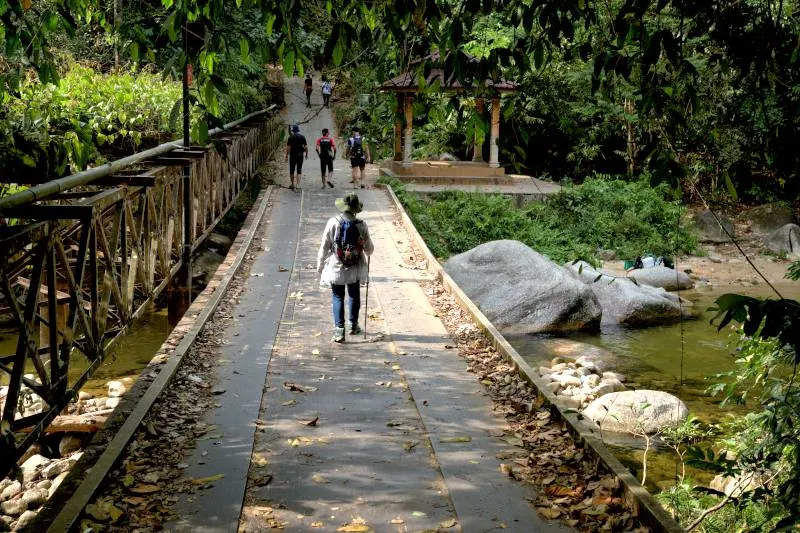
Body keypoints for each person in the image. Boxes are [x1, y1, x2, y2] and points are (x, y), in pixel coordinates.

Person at [317, 193, 374, 343]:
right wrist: (364, 248)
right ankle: (353, 326)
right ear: (355, 209)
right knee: (354, 294)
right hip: (355, 266)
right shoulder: (361, 224)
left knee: (337, 296)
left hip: (337, 265)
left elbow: (325, 246)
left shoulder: (333, 222)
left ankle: (339, 332)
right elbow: (369, 249)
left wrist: (320, 264)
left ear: (343, 207)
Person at [284, 125, 307, 190]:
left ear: (293, 131)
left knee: (292, 170)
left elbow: (288, 148)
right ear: (298, 130)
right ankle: (297, 185)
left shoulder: (290, 138)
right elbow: (306, 147)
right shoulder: (302, 137)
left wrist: (286, 156)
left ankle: (292, 184)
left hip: (292, 156)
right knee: (299, 169)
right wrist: (306, 154)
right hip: (300, 155)